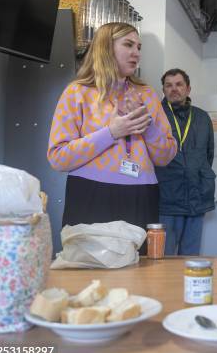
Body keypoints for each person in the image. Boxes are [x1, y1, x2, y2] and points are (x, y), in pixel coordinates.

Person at [47, 22, 177, 253]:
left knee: (141, 274)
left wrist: (146, 125)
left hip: (142, 195)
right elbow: (58, 158)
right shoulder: (77, 92)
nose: (136, 53)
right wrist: (111, 133)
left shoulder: (146, 94)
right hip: (91, 194)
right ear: (105, 47)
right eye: (128, 44)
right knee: (90, 274)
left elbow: (165, 156)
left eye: (138, 47)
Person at [155, 68, 215, 256]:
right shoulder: (155, 116)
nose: (174, 89)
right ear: (163, 90)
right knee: (163, 259)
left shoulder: (202, 117)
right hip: (167, 199)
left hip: (197, 197)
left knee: (190, 258)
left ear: (188, 89)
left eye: (179, 84)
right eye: (168, 85)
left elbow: (208, 154)